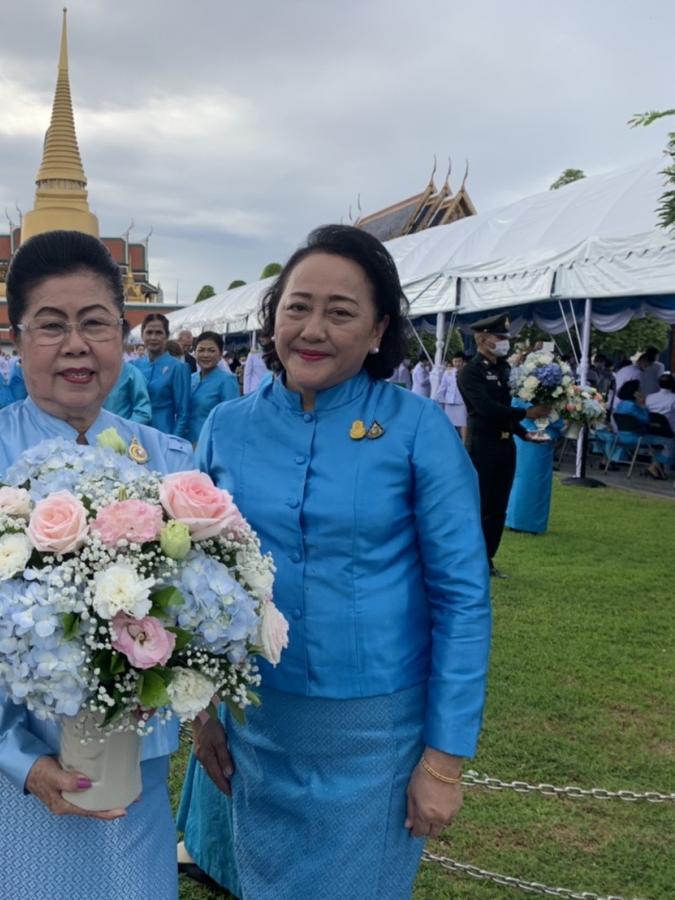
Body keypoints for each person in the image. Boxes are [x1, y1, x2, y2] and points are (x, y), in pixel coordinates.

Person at [185, 224, 491, 900]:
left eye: (341, 312)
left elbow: (462, 599)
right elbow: (194, 578)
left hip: (378, 732)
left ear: (379, 330)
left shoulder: (418, 429)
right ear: (273, 319)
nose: (313, 329)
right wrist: (202, 713)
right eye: (297, 307)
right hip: (257, 719)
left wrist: (443, 762)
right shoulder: (226, 428)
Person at [0, 229, 193, 900]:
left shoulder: (172, 463)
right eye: (52, 326)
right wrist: (22, 759)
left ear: (123, 334)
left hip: (127, 765)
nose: (76, 346)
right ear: (17, 339)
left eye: (95, 323)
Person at [457, 313, 552, 579]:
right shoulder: (471, 372)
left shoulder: (505, 369)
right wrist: (526, 414)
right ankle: (466, 560)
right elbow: (485, 408)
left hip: (505, 443)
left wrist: (524, 433)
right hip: (482, 446)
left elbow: (505, 408)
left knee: (498, 507)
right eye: (499, 337)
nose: (504, 342)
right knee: (479, 505)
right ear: (483, 339)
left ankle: (486, 560)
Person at [505, 397, 565, 534]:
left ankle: (524, 520)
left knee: (534, 481)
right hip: (530, 434)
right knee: (527, 480)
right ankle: (521, 521)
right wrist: (563, 421)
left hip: (541, 436)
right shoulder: (523, 396)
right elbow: (530, 409)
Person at [131, 313, 190, 438]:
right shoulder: (134, 366)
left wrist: (173, 441)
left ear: (167, 336)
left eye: (159, 332)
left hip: (164, 434)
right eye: (149, 332)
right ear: (142, 335)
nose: (153, 337)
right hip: (135, 433)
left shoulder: (178, 368)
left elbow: (183, 412)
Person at [188, 331, 240, 444]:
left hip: (209, 444)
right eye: (201, 350)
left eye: (212, 351)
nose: (206, 355)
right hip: (184, 443)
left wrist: (205, 444)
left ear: (220, 355)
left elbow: (231, 419)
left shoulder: (227, 380)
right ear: (195, 353)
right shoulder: (191, 378)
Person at [644, 373, 675, 478]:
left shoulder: (650, 397)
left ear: (658, 384)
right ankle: (655, 466)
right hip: (668, 432)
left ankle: (657, 467)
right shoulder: (673, 398)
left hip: (651, 431)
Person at [435, 353, 468, 440]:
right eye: (455, 361)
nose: (457, 364)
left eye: (459, 361)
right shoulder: (448, 373)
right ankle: (451, 441)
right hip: (450, 401)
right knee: (450, 423)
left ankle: (464, 444)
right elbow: (443, 387)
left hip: (462, 402)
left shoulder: (467, 372)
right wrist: (436, 399)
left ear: (463, 362)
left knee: (463, 423)